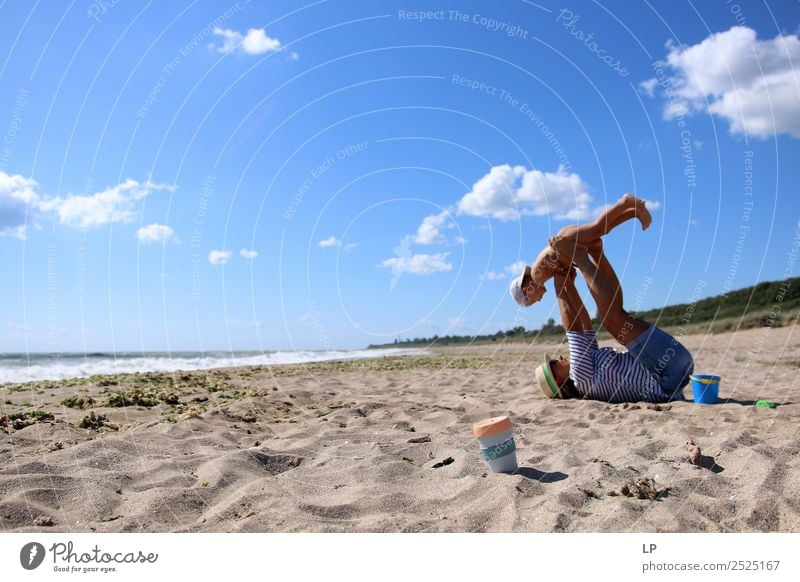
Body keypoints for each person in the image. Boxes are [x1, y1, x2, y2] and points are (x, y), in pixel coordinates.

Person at [533, 237, 694, 403]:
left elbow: (584, 323)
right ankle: (583, 257)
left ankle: (596, 252)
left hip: (672, 374)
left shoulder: (589, 373)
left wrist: (569, 285)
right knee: (612, 319)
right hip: (666, 372)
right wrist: (558, 282)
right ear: (559, 380)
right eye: (553, 363)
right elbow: (573, 327)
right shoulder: (581, 378)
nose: (557, 357)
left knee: (615, 312)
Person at [509, 193, 651, 307]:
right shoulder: (540, 275)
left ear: (528, 290)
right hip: (565, 237)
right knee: (602, 230)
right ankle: (633, 213)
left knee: (599, 227)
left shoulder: (538, 276)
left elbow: (551, 258)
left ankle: (625, 202)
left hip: (567, 240)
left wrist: (564, 263)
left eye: (533, 300)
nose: (539, 300)